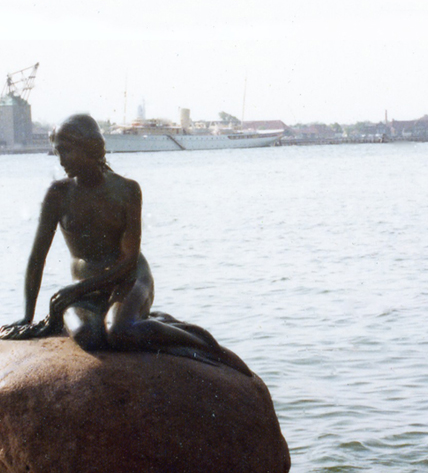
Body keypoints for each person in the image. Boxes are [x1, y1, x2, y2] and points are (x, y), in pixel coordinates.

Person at [0, 113, 250, 375]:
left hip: (129, 279)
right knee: (88, 337)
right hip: (86, 292)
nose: (60, 160)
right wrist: (28, 317)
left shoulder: (127, 190)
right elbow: (36, 258)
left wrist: (75, 291)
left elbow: (129, 260)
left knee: (121, 332)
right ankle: (147, 321)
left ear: (91, 147)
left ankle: (201, 342)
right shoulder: (58, 194)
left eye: (66, 151)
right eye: (57, 151)